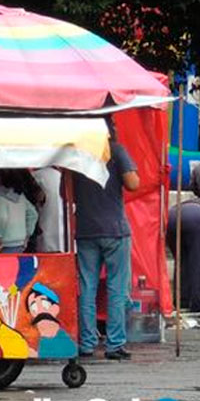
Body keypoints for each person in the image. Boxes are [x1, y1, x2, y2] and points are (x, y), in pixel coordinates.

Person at [75, 117, 139, 361]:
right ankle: (114, 344)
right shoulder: (116, 150)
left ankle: (87, 343)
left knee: (87, 288)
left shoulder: (79, 154)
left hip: (85, 229)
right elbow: (133, 183)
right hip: (114, 230)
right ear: (111, 130)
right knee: (116, 288)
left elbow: (65, 192)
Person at [166, 170, 200, 312]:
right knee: (197, 263)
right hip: (195, 218)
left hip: (174, 214)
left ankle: (182, 301)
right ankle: (197, 304)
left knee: (182, 261)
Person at [0, 170, 38, 253]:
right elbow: (33, 214)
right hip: (20, 242)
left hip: (3, 244)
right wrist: (27, 234)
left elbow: (1, 217)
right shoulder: (19, 195)